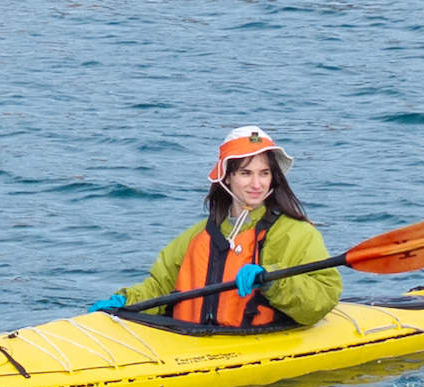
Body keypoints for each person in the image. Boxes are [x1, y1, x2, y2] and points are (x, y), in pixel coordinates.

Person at [90, 126, 341, 328]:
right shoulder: (197, 236)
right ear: (227, 177)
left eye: (264, 173)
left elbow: (322, 298)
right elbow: (159, 287)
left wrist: (272, 281)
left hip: (259, 343)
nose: (257, 184)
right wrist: (125, 301)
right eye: (246, 173)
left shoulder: (297, 233)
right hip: (191, 342)